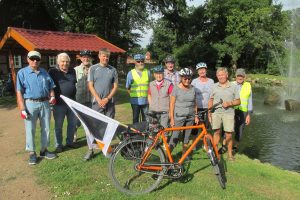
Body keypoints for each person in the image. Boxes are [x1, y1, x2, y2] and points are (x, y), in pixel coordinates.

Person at [16, 50, 57, 165]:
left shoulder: (44, 72)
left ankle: (44, 150)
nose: (35, 61)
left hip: (45, 103)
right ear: (27, 59)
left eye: (37, 59)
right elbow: (19, 92)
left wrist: (52, 96)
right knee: (30, 128)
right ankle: (32, 153)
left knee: (46, 128)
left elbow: (51, 86)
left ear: (40, 60)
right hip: (30, 104)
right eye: (32, 58)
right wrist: (22, 108)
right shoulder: (22, 73)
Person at [87, 48, 118, 160]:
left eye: (107, 57)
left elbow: (115, 86)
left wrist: (107, 98)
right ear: (99, 56)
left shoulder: (113, 69)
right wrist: (99, 99)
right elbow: (90, 85)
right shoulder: (93, 69)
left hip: (109, 103)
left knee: (108, 127)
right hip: (97, 103)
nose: (105, 58)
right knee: (94, 126)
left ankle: (107, 148)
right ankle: (90, 149)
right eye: (104, 56)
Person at [208, 67, 240, 161]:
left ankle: (230, 154)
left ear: (227, 75)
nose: (220, 77)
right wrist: (209, 113)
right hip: (216, 112)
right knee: (216, 132)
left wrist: (229, 103)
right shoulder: (214, 86)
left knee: (229, 134)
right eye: (218, 75)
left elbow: (238, 101)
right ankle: (215, 152)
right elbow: (211, 100)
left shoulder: (233, 86)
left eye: (222, 75)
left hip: (228, 113)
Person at [49, 53, 77, 153]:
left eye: (67, 61)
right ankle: (59, 145)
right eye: (62, 61)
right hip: (59, 104)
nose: (65, 63)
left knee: (72, 124)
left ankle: (69, 142)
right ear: (58, 62)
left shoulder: (72, 71)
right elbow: (49, 86)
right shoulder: (52, 71)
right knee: (58, 125)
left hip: (72, 103)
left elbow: (74, 84)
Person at [169, 68, 199, 158]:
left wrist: (196, 116)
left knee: (187, 137)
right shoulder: (176, 88)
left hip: (190, 116)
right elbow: (172, 104)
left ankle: (184, 154)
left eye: (189, 78)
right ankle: (167, 155)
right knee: (175, 136)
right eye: (185, 79)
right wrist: (172, 118)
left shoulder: (193, 88)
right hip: (178, 116)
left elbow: (195, 103)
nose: (187, 80)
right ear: (181, 78)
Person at [73, 50, 92, 143]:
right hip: (78, 99)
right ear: (80, 58)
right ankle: (74, 135)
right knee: (77, 120)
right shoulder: (75, 70)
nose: (86, 58)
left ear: (90, 58)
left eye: (88, 57)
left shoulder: (94, 69)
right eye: (84, 57)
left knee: (90, 120)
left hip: (91, 99)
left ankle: (91, 137)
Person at [126, 54, 150, 123]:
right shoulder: (130, 73)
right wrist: (132, 95)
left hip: (145, 101)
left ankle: (144, 133)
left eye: (142, 61)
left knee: (145, 119)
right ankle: (136, 133)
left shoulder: (148, 72)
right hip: (135, 101)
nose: (140, 63)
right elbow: (128, 87)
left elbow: (150, 86)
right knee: (135, 118)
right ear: (135, 62)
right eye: (138, 61)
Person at [233, 68, 253, 151]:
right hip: (232, 110)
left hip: (243, 112)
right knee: (228, 128)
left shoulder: (248, 85)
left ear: (244, 77)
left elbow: (250, 101)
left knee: (240, 130)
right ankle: (225, 145)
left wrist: (249, 115)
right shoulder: (231, 84)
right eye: (238, 75)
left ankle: (235, 147)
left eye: (242, 76)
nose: (240, 77)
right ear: (236, 76)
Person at [191, 62, 214, 127]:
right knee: (195, 127)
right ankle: (195, 137)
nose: (202, 71)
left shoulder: (211, 81)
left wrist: (210, 110)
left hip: (208, 107)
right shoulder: (194, 81)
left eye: (203, 69)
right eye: (200, 70)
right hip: (197, 108)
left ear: (206, 70)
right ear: (197, 71)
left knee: (205, 127)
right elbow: (192, 95)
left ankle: (205, 137)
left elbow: (212, 96)